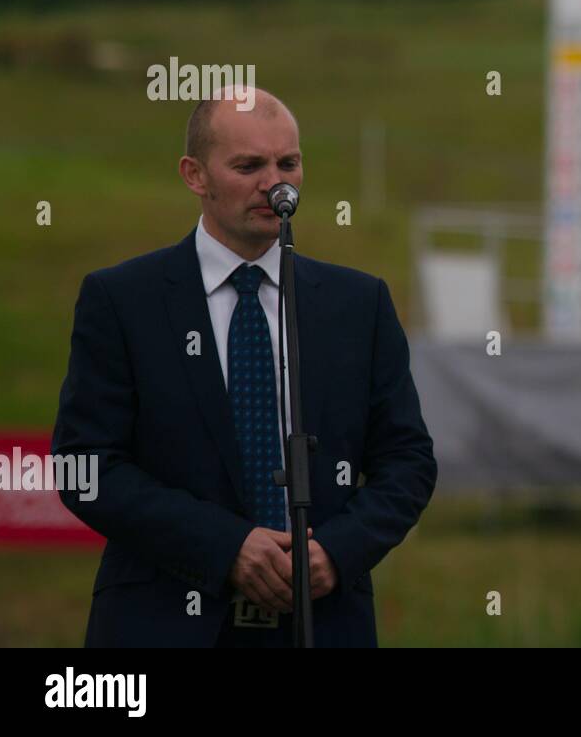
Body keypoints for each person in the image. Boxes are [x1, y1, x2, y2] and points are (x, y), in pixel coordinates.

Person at [52, 85, 437, 647]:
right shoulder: (122, 300)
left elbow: (408, 459)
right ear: (194, 175)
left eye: (289, 163)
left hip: (321, 621)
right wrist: (226, 546)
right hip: (163, 621)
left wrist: (339, 549)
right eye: (248, 165)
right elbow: (84, 467)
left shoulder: (359, 304)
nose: (274, 183)